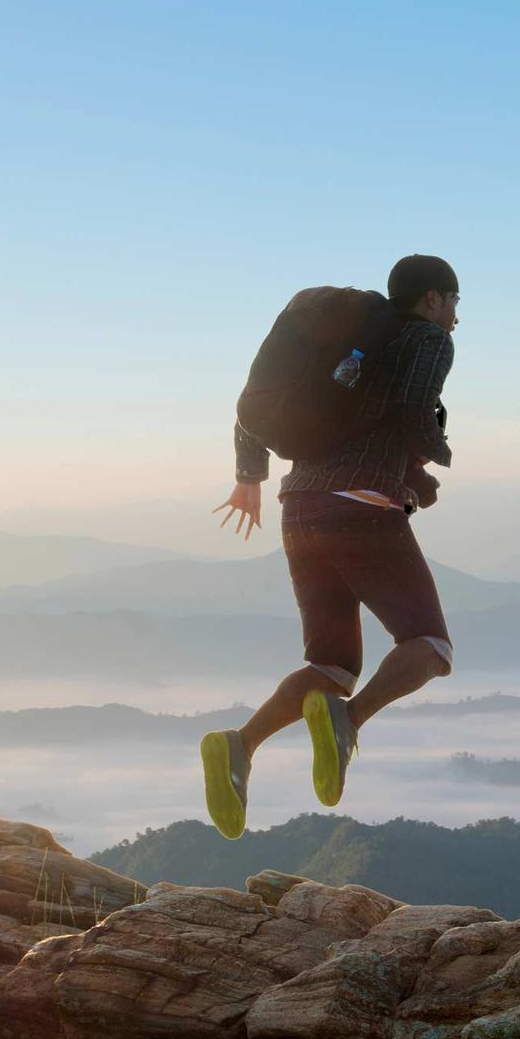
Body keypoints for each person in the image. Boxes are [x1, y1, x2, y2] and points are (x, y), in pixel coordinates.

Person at [201, 254, 460, 839]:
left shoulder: (340, 354)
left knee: (331, 666)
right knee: (431, 646)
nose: (455, 320)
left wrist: (249, 476)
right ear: (431, 300)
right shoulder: (425, 339)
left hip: (300, 510)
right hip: (363, 509)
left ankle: (239, 746)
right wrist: (434, 460)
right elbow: (410, 413)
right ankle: (349, 721)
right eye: (454, 304)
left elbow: (262, 411)